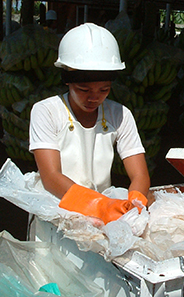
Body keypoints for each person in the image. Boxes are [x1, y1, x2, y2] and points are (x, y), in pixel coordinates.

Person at [29, 23, 150, 224]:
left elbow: (140, 174)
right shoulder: (46, 111)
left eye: (104, 90)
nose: (94, 98)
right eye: (84, 90)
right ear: (67, 80)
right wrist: (100, 205)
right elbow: (51, 177)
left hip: (101, 215)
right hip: (56, 210)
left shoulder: (119, 114)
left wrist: (135, 203)